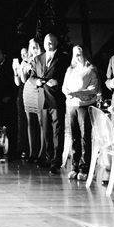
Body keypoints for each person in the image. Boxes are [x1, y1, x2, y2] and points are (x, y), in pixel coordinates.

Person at [26, 34, 69, 175]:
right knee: (46, 131)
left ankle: (56, 162)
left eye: (51, 42)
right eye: (46, 42)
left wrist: (58, 82)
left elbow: (68, 77)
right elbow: (31, 76)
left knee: (57, 130)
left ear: (56, 42)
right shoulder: (38, 58)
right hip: (42, 99)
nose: (48, 44)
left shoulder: (63, 58)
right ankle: (49, 158)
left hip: (56, 99)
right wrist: (36, 81)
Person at [61, 46, 100, 181]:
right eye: (75, 55)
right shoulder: (70, 70)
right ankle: (74, 166)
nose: (77, 57)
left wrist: (78, 93)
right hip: (71, 106)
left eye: (80, 54)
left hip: (84, 106)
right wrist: (69, 93)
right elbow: (64, 87)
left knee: (85, 137)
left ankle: (85, 167)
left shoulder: (90, 70)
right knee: (74, 136)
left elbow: (94, 89)